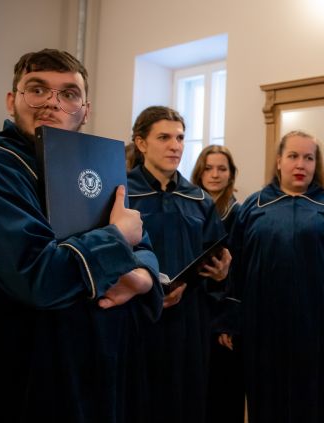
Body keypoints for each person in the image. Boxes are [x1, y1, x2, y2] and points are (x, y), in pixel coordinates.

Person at [0, 48, 162, 422]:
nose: (53, 102)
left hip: (104, 357)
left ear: (85, 109)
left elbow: (142, 242)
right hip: (33, 365)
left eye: (68, 94)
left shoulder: (97, 161)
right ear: (11, 100)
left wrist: (144, 278)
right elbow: (38, 274)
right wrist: (116, 238)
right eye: (37, 89)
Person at [222, 130, 324, 423]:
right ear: (279, 161)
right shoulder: (253, 207)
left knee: (316, 405)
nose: (300, 164)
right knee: (267, 404)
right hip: (263, 329)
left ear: (316, 164)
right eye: (293, 156)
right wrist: (230, 318)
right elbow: (236, 269)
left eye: (308, 157)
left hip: (317, 328)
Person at [127, 106, 231, 423]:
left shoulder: (198, 199)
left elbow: (214, 254)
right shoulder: (121, 193)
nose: (175, 145)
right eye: (164, 137)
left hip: (190, 321)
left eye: (180, 137)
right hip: (136, 317)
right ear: (141, 143)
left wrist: (221, 273)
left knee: (187, 401)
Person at [191, 144, 245, 423]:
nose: (214, 174)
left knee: (224, 393)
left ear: (231, 174)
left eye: (222, 169)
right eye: (208, 168)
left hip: (223, 313)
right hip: (192, 306)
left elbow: (244, 271)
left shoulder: (240, 214)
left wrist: (229, 321)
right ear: (199, 172)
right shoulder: (188, 206)